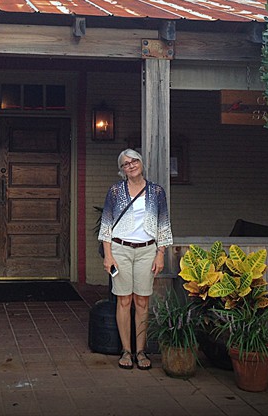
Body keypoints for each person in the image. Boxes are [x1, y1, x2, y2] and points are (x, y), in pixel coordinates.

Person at [98, 148, 172, 370]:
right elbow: (106, 225)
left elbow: (163, 225)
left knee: (142, 301)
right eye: (125, 164)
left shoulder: (156, 192)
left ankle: (141, 350)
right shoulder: (115, 192)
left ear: (141, 163)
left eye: (134, 161)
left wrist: (161, 255)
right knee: (124, 300)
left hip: (147, 251)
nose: (131, 165)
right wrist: (108, 255)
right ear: (122, 170)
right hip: (120, 250)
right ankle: (126, 350)